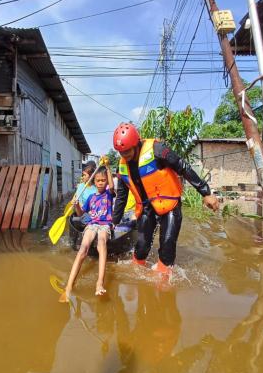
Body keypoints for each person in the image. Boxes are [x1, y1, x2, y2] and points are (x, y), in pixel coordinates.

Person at [112, 122, 219, 276]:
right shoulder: (122, 167)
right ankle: (139, 277)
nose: (125, 155)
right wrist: (114, 223)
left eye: (127, 151)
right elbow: (121, 198)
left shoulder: (157, 150)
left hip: (169, 204)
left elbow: (183, 167)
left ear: (136, 144)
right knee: (141, 246)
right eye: (121, 152)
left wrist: (205, 192)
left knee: (167, 244)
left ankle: (163, 278)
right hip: (147, 207)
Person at [60, 161, 115, 302]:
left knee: (101, 243)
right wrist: (76, 204)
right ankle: (69, 287)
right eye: (98, 180)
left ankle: (99, 283)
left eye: (103, 180)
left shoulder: (109, 193)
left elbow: (112, 185)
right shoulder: (91, 197)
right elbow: (80, 214)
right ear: (94, 182)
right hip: (92, 224)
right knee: (82, 249)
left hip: (104, 225)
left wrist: (107, 167)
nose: (101, 183)